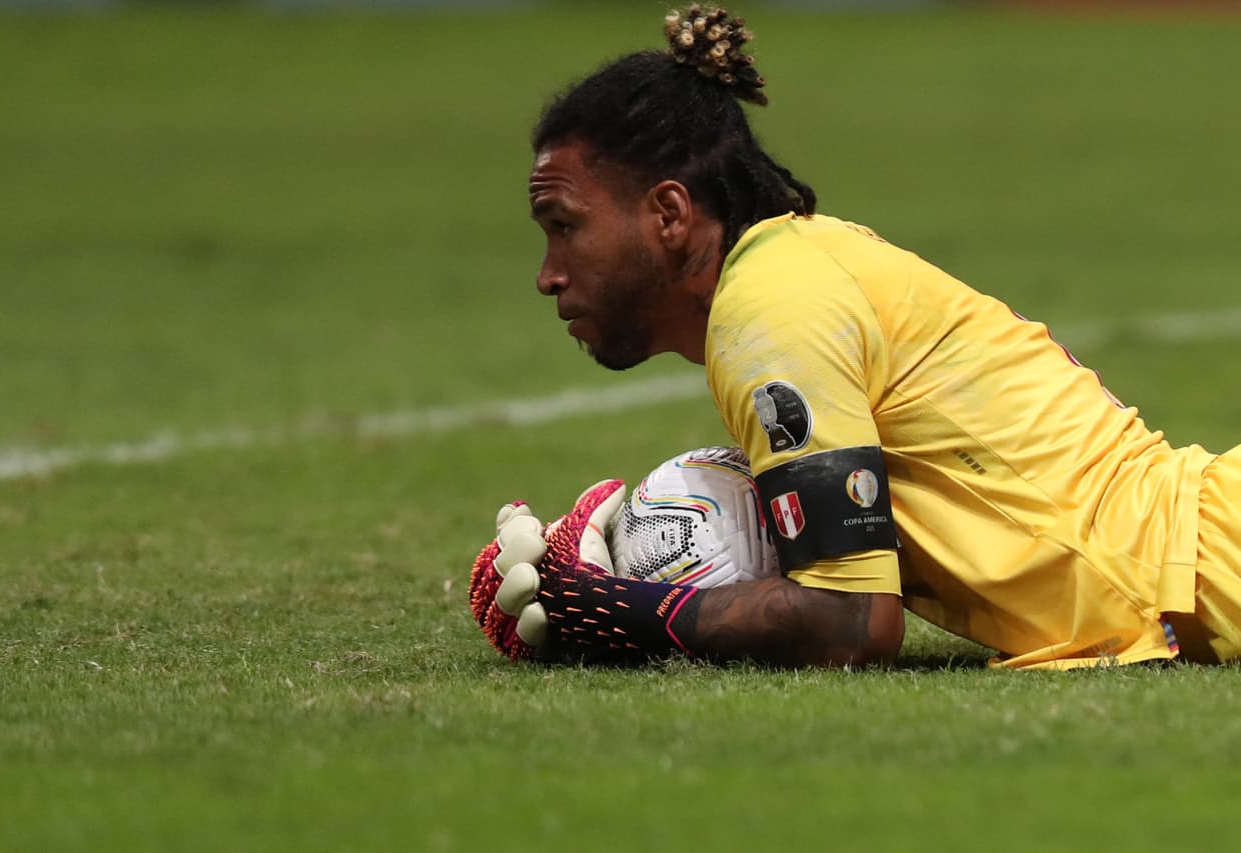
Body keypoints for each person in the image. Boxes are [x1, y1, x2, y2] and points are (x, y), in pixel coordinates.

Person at [471, 4, 1241, 670]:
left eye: (564, 227)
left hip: (1211, 558)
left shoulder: (770, 309)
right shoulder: (788, 272)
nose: (548, 274)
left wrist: (618, 610)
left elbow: (852, 623)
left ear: (669, 215)